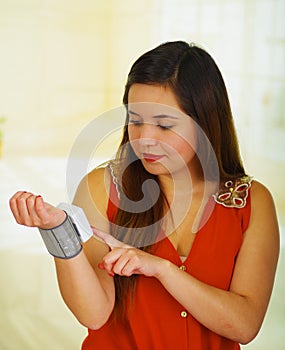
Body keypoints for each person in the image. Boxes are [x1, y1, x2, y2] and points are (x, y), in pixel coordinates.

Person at [9, 41, 279, 349]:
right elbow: (94, 314)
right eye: (135, 121)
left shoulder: (252, 203)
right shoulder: (102, 187)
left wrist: (161, 269)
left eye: (164, 125)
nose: (145, 139)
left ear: (206, 121)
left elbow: (244, 325)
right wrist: (58, 234)